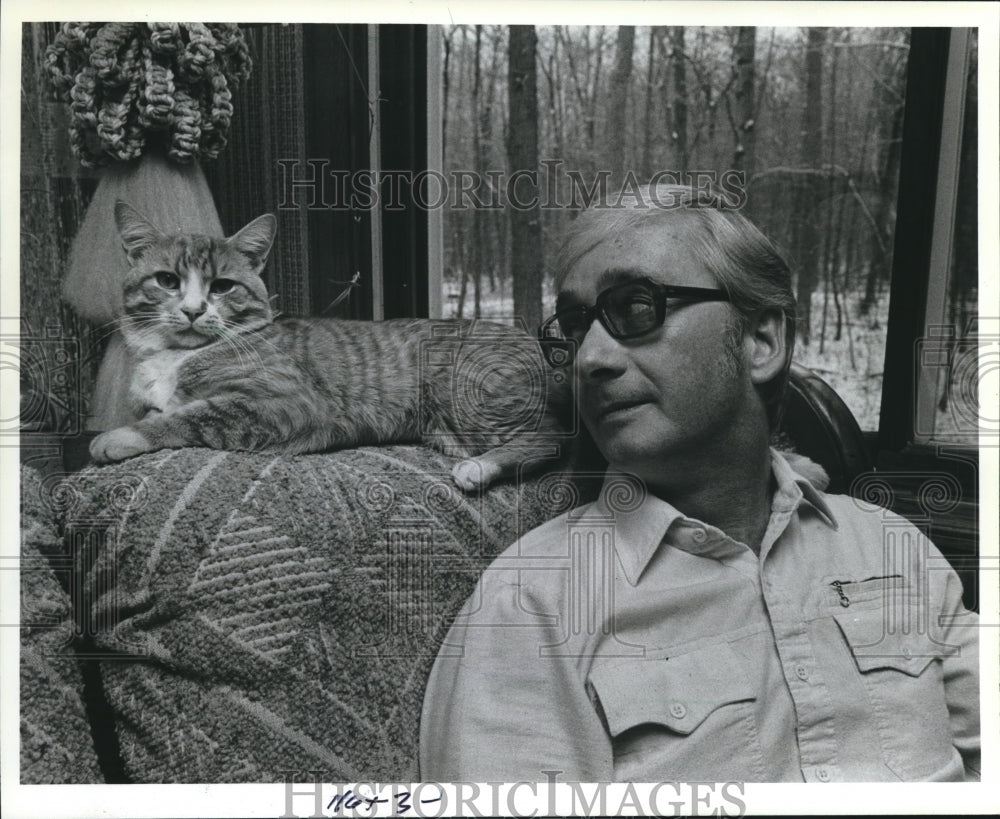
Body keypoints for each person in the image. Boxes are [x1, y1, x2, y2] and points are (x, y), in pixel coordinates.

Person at [418, 183, 980, 783]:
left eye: (637, 307)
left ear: (760, 341)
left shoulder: (894, 547)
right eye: (577, 325)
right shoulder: (533, 606)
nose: (589, 359)